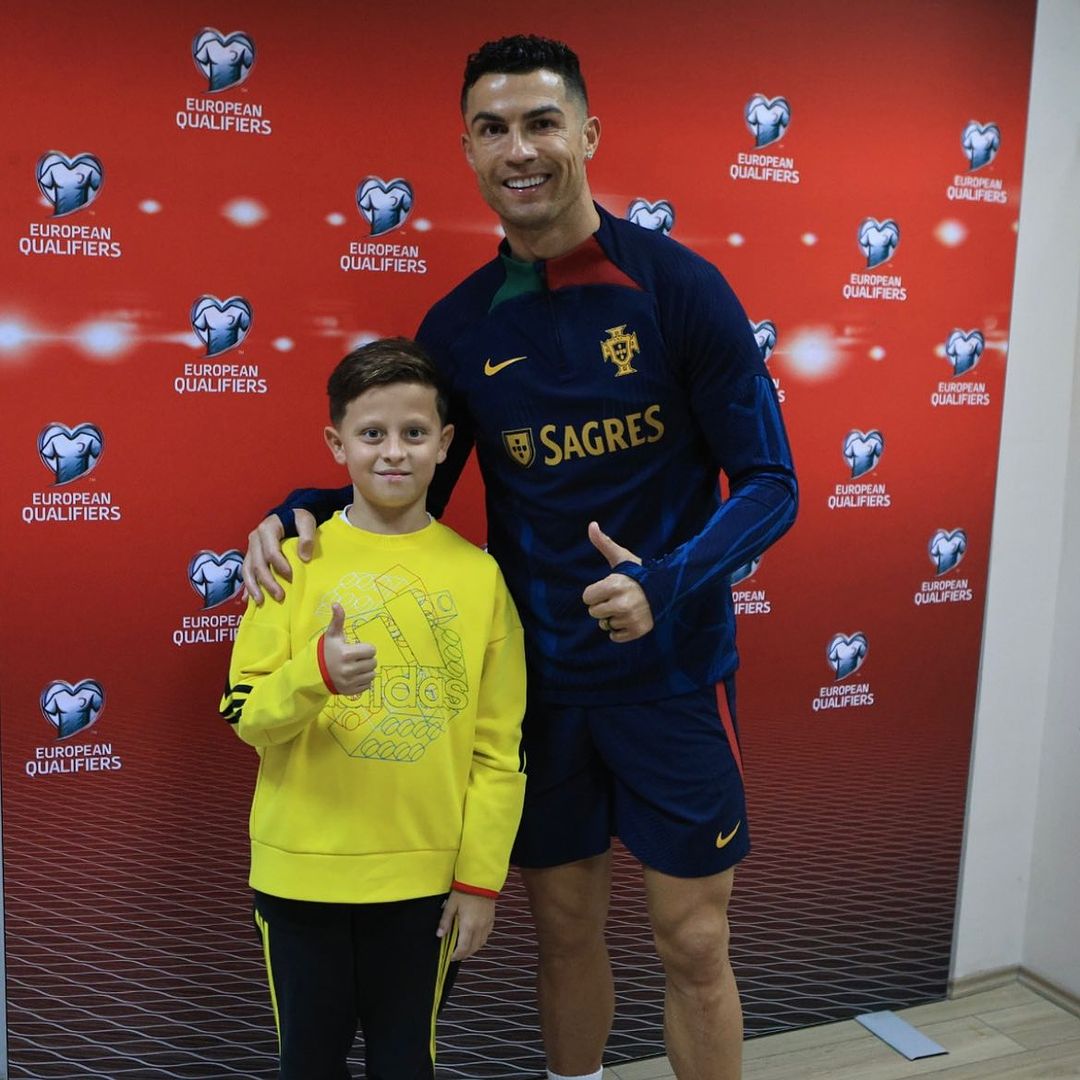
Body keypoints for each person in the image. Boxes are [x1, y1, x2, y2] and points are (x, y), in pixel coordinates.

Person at [244, 36, 797, 1080]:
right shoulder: (456, 327)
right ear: (467, 149)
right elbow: (410, 487)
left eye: (542, 122)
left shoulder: (678, 289)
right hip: (539, 693)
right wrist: (294, 509)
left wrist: (662, 580)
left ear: (586, 134)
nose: (520, 148)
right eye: (493, 129)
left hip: (673, 680)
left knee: (693, 942)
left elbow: (774, 483)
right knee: (563, 938)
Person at [222, 338, 526, 1080]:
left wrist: (480, 881)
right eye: (372, 434)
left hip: (423, 892)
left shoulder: (479, 575)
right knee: (309, 1063)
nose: (394, 453)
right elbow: (245, 715)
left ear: (445, 445)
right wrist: (315, 674)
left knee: (405, 1064)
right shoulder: (290, 562)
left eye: (414, 434)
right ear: (337, 443)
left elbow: (500, 748)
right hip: (302, 882)